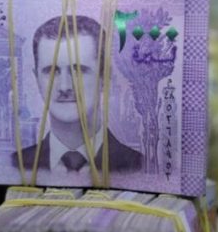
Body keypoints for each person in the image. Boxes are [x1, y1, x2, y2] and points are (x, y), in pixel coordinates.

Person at [13, 15, 143, 174]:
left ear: (104, 77)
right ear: (37, 79)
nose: (64, 87)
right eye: (51, 71)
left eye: (79, 70)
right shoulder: (16, 166)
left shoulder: (139, 167)